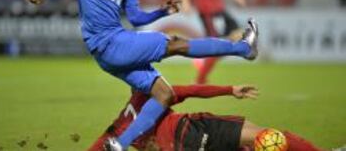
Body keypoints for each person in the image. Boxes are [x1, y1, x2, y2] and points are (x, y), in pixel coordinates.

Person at [27, 0, 258, 150]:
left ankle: (120, 144)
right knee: (175, 43)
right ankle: (242, 48)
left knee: (164, 94)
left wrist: (161, 12)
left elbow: (136, 18)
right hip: (110, 43)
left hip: (108, 53)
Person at [88, 84, 326, 151]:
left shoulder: (117, 129)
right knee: (270, 137)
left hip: (181, 145)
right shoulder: (152, 93)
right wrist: (229, 90)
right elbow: (191, 90)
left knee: (251, 144)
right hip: (192, 130)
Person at [177, 0, 248, 85]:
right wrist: (185, 1)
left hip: (219, 7)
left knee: (237, 35)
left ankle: (202, 61)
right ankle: (200, 79)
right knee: (217, 45)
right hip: (206, 9)